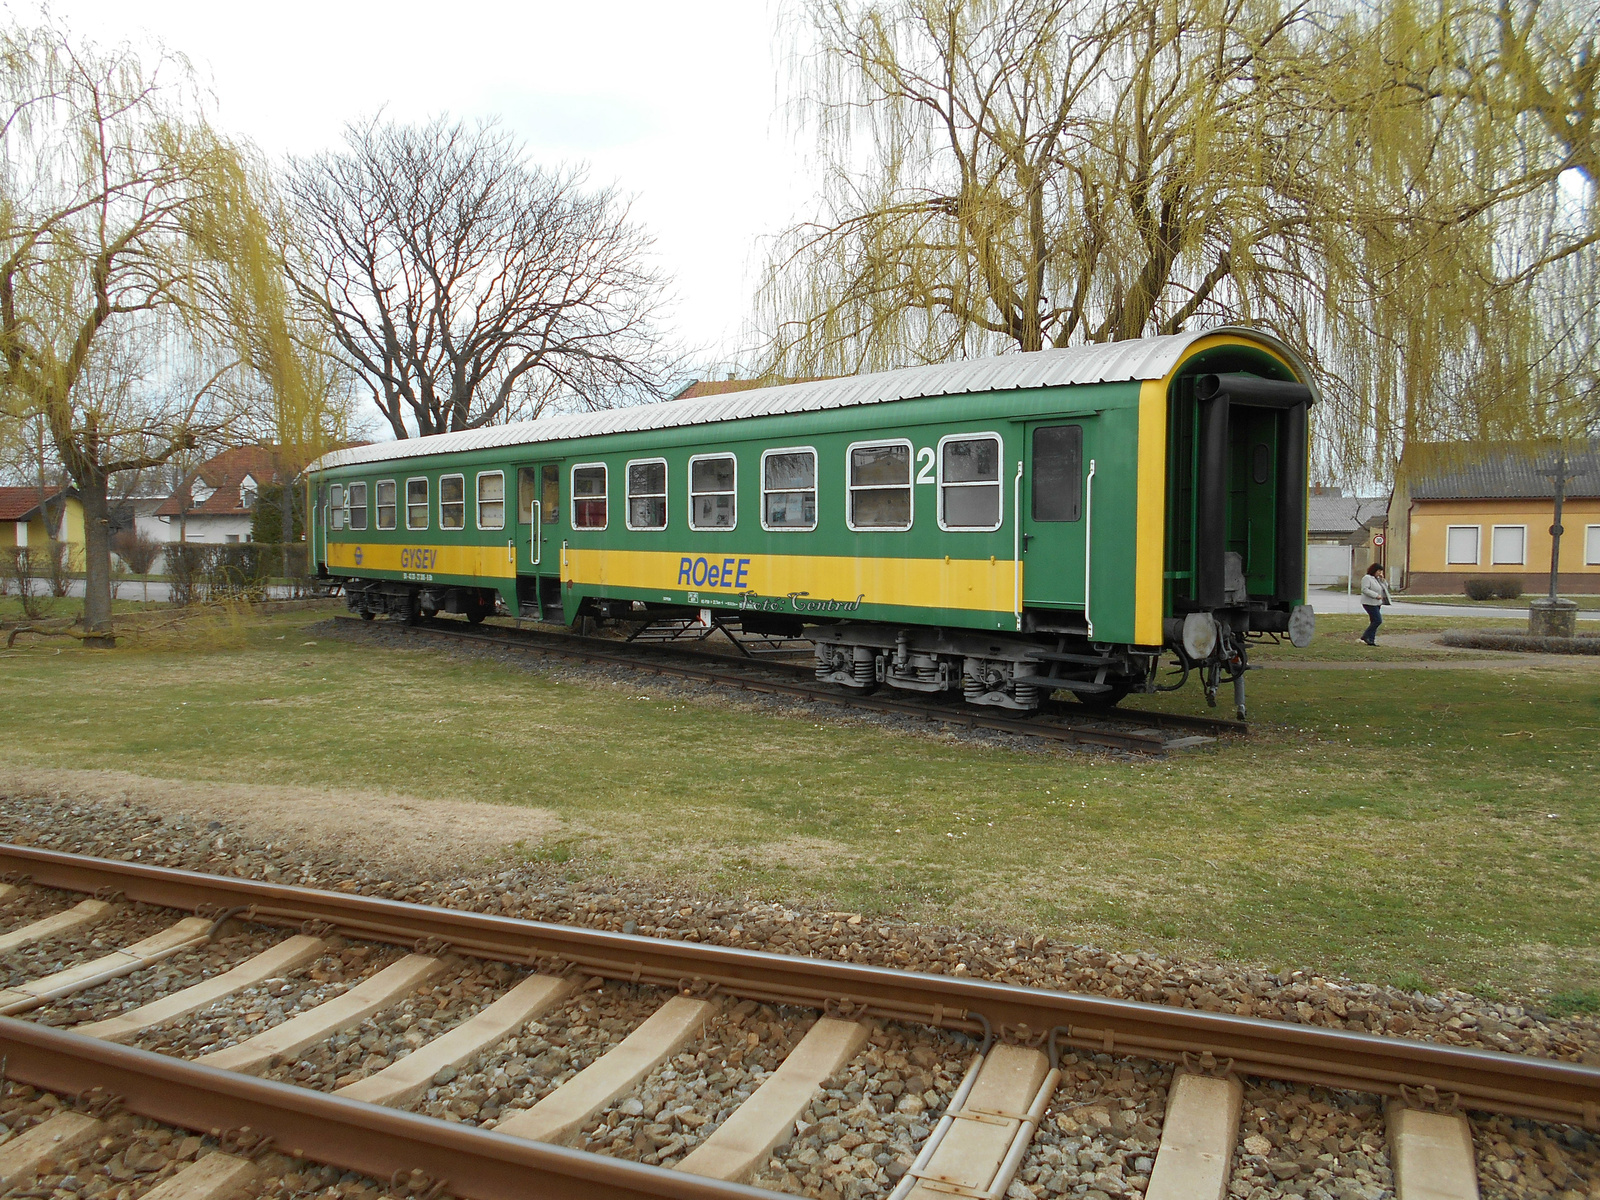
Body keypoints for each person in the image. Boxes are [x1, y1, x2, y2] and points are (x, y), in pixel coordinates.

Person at [1359, 563, 1391, 646]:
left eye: (1381, 571)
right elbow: (1365, 589)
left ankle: (1371, 640)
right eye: (1379, 571)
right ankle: (1365, 636)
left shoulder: (1378, 579)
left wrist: (1383, 579)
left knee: (1373, 621)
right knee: (1378, 620)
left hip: (1377, 603)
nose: (1379, 573)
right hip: (1369, 603)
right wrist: (1376, 595)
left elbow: (1385, 588)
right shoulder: (1367, 578)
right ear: (1374, 570)